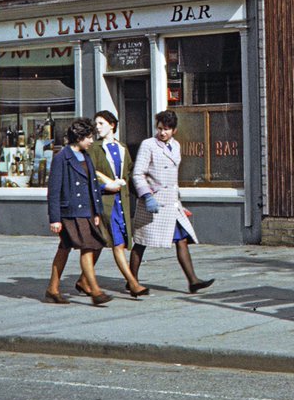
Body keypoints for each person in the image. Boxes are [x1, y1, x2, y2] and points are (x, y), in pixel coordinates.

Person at [129, 110, 214, 294]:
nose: (162, 133)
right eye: (159, 128)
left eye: (166, 129)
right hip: (152, 203)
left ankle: (193, 281)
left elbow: (173, 178)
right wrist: (147, 196)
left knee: (181, 239)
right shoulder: (148, 145)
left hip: (171, 204)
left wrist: (179, 203)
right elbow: (138, 174)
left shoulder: (175, 146)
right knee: (141, 242)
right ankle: (132, 280)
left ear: (174, 130)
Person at [44, 117, 113, 306]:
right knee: (88, 246)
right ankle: (95, 291)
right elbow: (54, 190)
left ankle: (53, 289)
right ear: (79, 137)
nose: (92, 141)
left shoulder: (86, 155)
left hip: (86, 211)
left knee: (65, 248)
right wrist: (55, 219)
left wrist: (96, 212)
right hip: (70, 212)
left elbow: (92, 185)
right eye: (89, 137)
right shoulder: (62, 158)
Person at [82, 110, 149, 298]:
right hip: (106, 202)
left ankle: (82, 280)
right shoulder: (94, 148)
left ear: (112, 125)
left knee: (101, 243)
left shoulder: (122, 147)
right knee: (117, 244)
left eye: (102, 123)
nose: (98, 127)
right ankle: (133, 283)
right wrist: (107, 185)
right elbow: (91, 174)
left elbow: (129, 173)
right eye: (96, 124)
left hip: (122, 203)